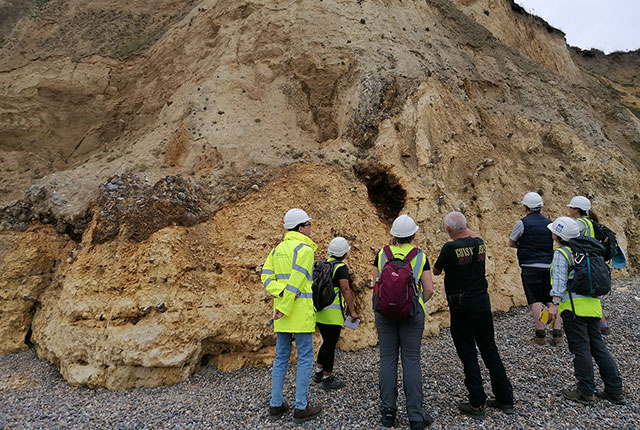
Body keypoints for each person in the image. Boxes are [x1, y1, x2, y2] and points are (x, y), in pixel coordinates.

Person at [433, 211, 514, 420]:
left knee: (468, 353)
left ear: (449, 229)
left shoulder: (450, 247)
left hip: (461, 306)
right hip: (482, 303)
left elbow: (436, 270)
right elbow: (472, 234)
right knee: (490, 349)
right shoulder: (479, 241)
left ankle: (476, 402)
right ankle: (505, 397)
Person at [546, 217, 624, 405]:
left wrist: (554, 305)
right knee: (599, 348)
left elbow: (558, 281)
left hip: (573, 308)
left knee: (580, 349)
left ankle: (585, 391)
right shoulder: (589, 250)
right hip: (594, 307)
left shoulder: (562, 253)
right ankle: (615, 390)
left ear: (557, 235)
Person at [371, 214, 434, 430]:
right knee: (411, 360)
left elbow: (376, 283)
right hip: (412, 314)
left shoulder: (382, 254)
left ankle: (387, 412)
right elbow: (429, 289)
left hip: (384, 314)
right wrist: (415, 304)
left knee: (387, 359)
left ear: (394, 235)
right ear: (414, 234)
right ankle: (416, 416)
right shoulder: (420, 256)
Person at [261, 208, 322, 423]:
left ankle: (276, 405)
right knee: (305, 358)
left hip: (282, 313)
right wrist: (286, 305)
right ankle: (300, 408)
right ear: (300, 227)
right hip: (297, 312)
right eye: (308, 224)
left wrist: (279, 294)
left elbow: (266, 276)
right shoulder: (305, 249)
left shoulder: (277, 250)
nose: (310, 228)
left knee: (281, 357)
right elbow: (296, 282)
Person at [508, 192, 564, 346]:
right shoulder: (550, 223)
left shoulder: (521, 223)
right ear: (540, 206)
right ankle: (557, 335)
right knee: (552, 300)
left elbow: (511, 243)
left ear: (525, 206)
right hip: (548, 265)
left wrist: (524, 246)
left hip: (530, 266)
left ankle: (540, 336)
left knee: (535, 300)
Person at [314, 237, 359, 390]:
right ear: (345, 253)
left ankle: (319, 371)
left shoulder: (321, 264)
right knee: (330, 344)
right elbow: (345, 290)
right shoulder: (340, 268)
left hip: (319, 310)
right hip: (332, 313)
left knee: (326, 341)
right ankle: (328, 377)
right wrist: (352, 310)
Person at [567, 196, 611, 336]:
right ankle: (603, 325)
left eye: (571, 207)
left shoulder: (579, 223)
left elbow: (570, 238)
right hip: (592, 259)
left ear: (576, 210)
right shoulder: (590, 222)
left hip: (582, 260)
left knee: (582, 291)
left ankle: (586, 323)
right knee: (593, 295)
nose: (569, 209)